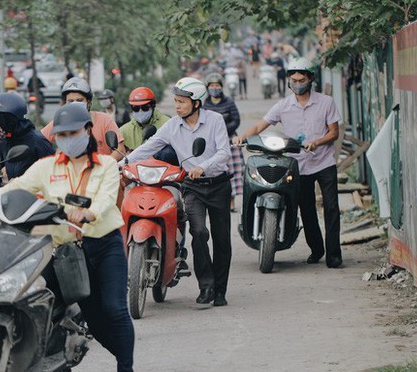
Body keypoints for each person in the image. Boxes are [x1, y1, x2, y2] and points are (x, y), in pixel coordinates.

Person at [0, 102, 138, 372]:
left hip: (103, 245)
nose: (68, 138)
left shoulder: (106, 165)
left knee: (114, 310)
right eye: (62, 134)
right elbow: (17, 186)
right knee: (89, 316)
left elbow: (107, 198)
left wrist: (88, 213)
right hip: (65, 250)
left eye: (74, 132)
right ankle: (49, 353)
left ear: (87, 131)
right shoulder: (46, 167)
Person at [123, 77, 232, 307]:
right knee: (199, 233)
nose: (177, 106)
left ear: (197, 103)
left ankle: (220, 290)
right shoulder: (173, 126)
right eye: (175, 101)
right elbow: (150, 146)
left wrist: (203, 165)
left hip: (218, 184)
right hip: (192, 188)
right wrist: (124, 162)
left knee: (222, 240)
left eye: (182, 101)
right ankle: (206, 286)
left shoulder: (215, 121)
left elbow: (223, 152)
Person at [233, 58, 342, 268]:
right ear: (288, 81)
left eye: (301, 79)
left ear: (310, 79)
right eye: (293, 80)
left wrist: (317, 142)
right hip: (298, 164)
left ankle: (334, 255)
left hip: (324, 162)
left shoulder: (326, 102)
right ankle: (317, 249)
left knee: (331, 208)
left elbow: (334, 132)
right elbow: (258, 127)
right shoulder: (283, 106)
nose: (297, 83)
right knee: (307, 209)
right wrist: (242, 137)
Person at [41, 77, 126, 160]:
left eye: (79, 100)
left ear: (88, 102)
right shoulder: (60, 123)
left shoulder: (105, 120)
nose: (75, 104)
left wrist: (103, 168)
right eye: (70, 101)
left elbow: (120, 150)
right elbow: (38, 140)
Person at [0, 92, 54, 179]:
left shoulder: (38, 143)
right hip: (12, 190)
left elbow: (53, 175)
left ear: (10, 120)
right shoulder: (5, 144)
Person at [203, 73, 243, 212]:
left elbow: (236, 120)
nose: (215, 88)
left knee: (232, 170)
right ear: (208, 88)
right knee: (211, 170)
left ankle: (231, 203)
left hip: (230, 139)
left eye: (217, 85)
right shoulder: (205, 104)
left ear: (222, 87)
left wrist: (223, 130)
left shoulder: (229, 102)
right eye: (212, 86)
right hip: (210, 141)